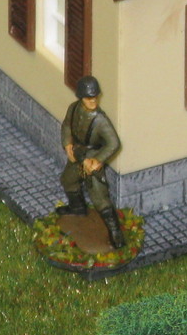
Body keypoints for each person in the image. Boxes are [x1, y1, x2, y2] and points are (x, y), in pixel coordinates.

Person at [56, 76, 124, 249]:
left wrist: (97, 160)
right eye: (88, 98)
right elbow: (67, 126)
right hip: (77, 155)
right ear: (81, 97)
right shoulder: (73, 108)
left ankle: (115, 232)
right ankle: (77, 207)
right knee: (68, 180)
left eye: (95, 97)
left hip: (92, 159)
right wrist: (67, 144)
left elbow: (114, 143)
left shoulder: (100, 120)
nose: (93, 101)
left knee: (99, 197)